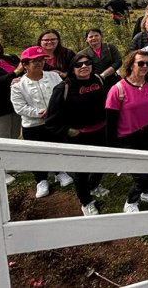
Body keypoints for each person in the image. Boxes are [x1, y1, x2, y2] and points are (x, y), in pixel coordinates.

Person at [46, 52, 110, 216]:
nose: (84, 67)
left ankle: (94, 186)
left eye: (87, 63)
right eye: (78, 65)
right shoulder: (64, 88)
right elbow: (52, 119)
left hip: (101, 132)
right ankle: (86, 202)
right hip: (78, 137)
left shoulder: (98, 80)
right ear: (72, 68)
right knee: (81, 171)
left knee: (102, 163)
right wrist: (68, 130)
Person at [105, 50, 148, 213]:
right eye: (141, 63)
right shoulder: (117, 90)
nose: (145, 66)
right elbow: (110, 123)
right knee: (141, 178)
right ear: (131, 65)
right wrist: (113, 150)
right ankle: (131, 201)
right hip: (128, 139)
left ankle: (147, 192)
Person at [10, 46, 72, 197]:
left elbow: (63, 95)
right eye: (34, 61)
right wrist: (39, 113)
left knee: (57, 147)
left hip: (55, 122)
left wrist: (53, 111)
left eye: (41, 60)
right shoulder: (18, 85)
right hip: (33, 125)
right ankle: (41, 180)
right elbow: (20, 108)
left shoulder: (54, 76)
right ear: (25, 65)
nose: (39, 63)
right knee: (37, 153)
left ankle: (59, 172)